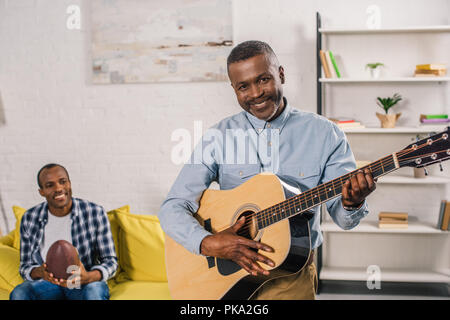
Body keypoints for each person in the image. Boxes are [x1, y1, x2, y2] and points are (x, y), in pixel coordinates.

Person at [158, 40, 376, 299]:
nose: (255, 93)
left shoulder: (326, 134)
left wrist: (352, 202)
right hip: (228, 277)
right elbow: (173, 206)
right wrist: (207, 242)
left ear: (281, 74)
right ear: (234, 89)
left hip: (292, 276)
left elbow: (343, 218)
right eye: (243, 87)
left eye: (263, 80)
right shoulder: (217, 137)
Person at [10, 163, 117, 300]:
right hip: (48, 283)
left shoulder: (94, 212)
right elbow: (25, 266)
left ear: (70, 183)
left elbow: (110, 261)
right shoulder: (30, 218)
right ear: (41, 191)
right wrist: (40, 272)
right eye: (50, 185)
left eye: (62, 182)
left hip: (83, 283)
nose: (59, 188)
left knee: (94, 292)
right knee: (20, 293)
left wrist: (88, 277)